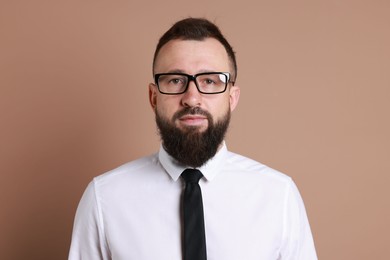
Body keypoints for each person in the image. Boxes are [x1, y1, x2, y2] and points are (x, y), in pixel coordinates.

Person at [68, 18, 317, 260]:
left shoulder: (278, 196)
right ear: (153, 97)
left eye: (209, 81)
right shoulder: (104, 198)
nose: (192, 98)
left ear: (232, 98)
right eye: (176, 80)